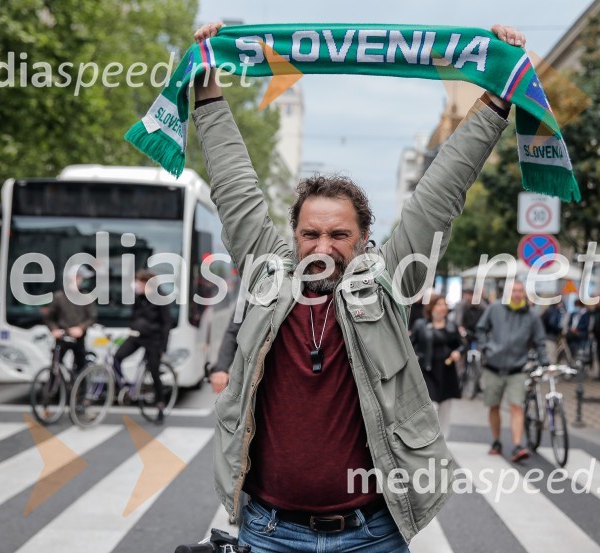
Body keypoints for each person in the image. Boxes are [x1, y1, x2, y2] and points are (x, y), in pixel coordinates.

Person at [192, 20, 524, 551]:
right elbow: (233, 183)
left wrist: (498, 98)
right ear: (293, 234)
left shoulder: (391, 279)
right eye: (311, 233)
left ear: (365, 237)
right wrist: (207, 85)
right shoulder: (266, 271)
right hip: (268, 531)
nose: (322, 246)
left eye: (339, 234)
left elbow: (441, 191)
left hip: (371, 535)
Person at [476, 280, 548, 462]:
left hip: (517, 369)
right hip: (493, 366)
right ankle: (496, 441)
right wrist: (486, 347)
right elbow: (481, 329)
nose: (517, 294)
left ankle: (517, 446)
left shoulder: (531, 316)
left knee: (517, 406)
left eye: (520, 291)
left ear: (524, 294)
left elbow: (540, 341)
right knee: (494, 405)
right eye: (513, 291)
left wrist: (545, 362)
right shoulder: (495, 309)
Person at [113, 270, 172, 424]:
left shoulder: (161, 298)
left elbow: (166, 324)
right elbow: (133, 316)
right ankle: (126, 386)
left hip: (154, 340)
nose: (136, 285)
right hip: (136, 337)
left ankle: (160, 405)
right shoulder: (138, 297)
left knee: (154, 372)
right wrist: (134, 326)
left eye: (139, 282)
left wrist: (162, 348)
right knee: (117, 357)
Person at [410, 294, 464, 437]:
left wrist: (457, 352)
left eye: (444, 305)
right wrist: (417, 357)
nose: (442, 308)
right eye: (439, 304)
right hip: (428, 370)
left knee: (445, 409)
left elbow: (461, 345)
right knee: (432, 407)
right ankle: (429, 438)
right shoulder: (421, 325)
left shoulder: (452, 326)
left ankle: (443, 442)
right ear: (431, 307)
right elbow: (410, 345)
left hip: (447, 371)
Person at [43, 264, 97, 377]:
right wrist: (54, 329)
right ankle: (54, 390)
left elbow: (92, 317)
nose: (81, 280)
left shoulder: (86, 297)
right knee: (55, 365)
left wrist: (81, 328)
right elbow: (49, 317)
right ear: (72, 278)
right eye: (79, 277)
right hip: (62, 336)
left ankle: (79, 392)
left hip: (79, 338)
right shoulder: (59, 297)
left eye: (81, 278)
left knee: (81, 366)